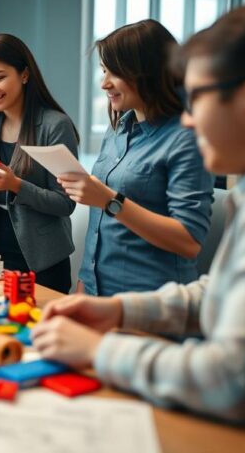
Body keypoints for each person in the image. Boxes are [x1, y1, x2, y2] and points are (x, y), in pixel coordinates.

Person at [32, 0, 245, 423]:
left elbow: (229, 380)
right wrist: (119, 310)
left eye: (198, 99)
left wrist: (97, 349)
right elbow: (225, 291)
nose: (191, 121)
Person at [59, 19, 213, 295]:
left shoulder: (186, 137)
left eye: (114, 72)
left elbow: (189, 240)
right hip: (97, 293)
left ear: (147, 72)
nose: (105, 83)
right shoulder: (118, 128)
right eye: (104, 71)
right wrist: (84, 287)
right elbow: (100, 226)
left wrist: (109, 200)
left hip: (153, 301)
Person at [0, 34, 80, 292]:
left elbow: (65, 203)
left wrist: (16, 185)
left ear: (24, 75)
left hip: (43, 260)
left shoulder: (55, 125)